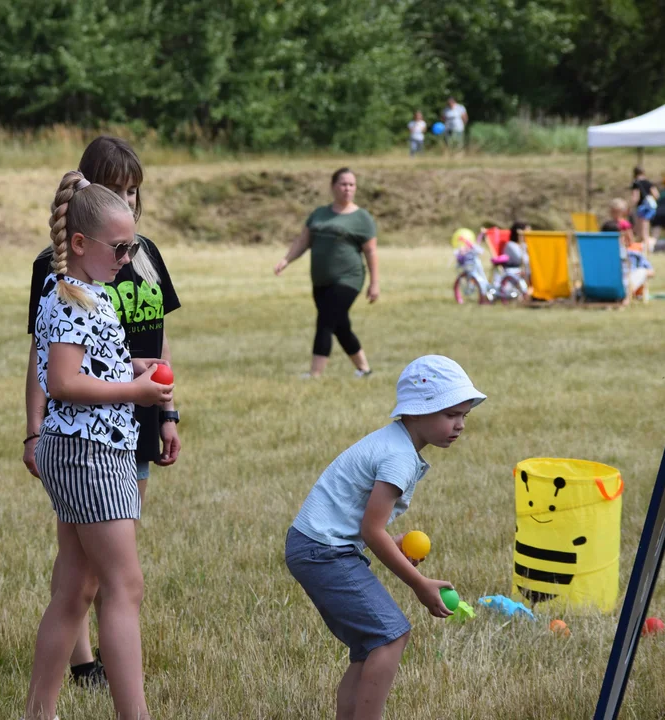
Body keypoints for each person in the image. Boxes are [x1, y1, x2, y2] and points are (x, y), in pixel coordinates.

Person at [24, 137, 181, 689]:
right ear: (83, 239)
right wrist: (134, 394)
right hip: (91, 451)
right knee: (124, 585)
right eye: (120, 249)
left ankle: (40, 710)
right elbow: (62, 379)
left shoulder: (90, 290)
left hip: (97, 445)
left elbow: (92, 360)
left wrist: (137, 371)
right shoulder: (70, 292)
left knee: (75, 590)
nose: (127, 258)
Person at [285, 355, 486, 720]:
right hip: (322, 551)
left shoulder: (396, 443)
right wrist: (420, 584)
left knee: (369, 646)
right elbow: (371, 530)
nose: (459, 425)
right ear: (416, 412)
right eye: (450, 415)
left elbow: (365, 526)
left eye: (463, 416)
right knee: (390, 635)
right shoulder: (399, 457)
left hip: (319, 546)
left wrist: (392, 543)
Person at [274, 168, 379, 379]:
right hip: (321, 280)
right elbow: (303, 241)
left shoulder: (362, 218)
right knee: (340, 325)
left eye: (351, 184)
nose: (347, 189)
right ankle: (364, 369)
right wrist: (286, 260)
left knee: (325, 321)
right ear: (333, 187)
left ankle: (315, 373)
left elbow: (371, 251)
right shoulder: (319, 214)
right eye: (343, 184)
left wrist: (374, 283)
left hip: (349, 278)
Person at [630, 167, 659, 253]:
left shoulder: (636, 183)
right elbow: (656, 195)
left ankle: (646, 250)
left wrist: (630, 207)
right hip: (650, 207)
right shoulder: (649, 182)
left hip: (642, 208)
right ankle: (644, 248)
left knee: (643, 231)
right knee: (645, 229)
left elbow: (635, 198)